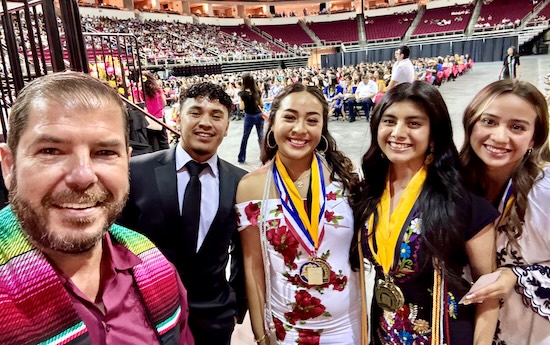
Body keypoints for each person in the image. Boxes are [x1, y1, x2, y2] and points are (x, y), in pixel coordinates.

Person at [0, 71, 193, 345]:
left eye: (104, 153)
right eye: (50, 150)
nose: (83, 176)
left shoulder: (155, 264)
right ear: (9, 165)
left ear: (127, 161)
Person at [351, 81, 500, 344]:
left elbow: (488, 293)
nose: (398, 132)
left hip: (445, 335)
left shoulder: (462, 202)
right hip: (383, 332)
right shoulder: (369, 192)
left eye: (413, 123)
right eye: (389, 121)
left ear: (434, 136)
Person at [117, 82, 247, 345]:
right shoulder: (136, 172)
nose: (206, 123)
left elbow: (244, 252)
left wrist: (235, 305)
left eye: (216, 115)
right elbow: (116, 244)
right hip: (147, 313)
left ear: (227, 126)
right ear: (177, 116)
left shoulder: (240, 182)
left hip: (215, 316)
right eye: (195, 112)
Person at [236, 83, 363, 344]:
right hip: (286, 329)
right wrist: (262, 335)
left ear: (322, 128)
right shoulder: (251, 188)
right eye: (290, 117)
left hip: (347, 325)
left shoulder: (345, 178)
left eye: (312, 120)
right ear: (272, 123)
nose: (300, 129)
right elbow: (253, 267)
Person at [459, 79, 550, 345]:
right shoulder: (451, 183)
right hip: (462, 329)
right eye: (489, 121)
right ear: (471, 123)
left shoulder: (544, 191)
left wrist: (518, 274)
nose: (499, 137)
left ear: (534, 138)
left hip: (530, 333)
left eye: (517, 127)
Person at [237, 73, 264, 163]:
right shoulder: (258, 91)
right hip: (259, 115)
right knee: (261, 136)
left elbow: (242, 107)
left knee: (245, 137)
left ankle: (241, 157)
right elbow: (261, 104)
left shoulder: (242, 93)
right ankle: (264, 155)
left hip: (249, 116)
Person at [143, 71, 170, 151]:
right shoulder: (158, 90)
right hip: (160, 116)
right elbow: (164, 102)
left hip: (148, 118)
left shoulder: (139, 91)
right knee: (163, 140)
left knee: (152, 141)